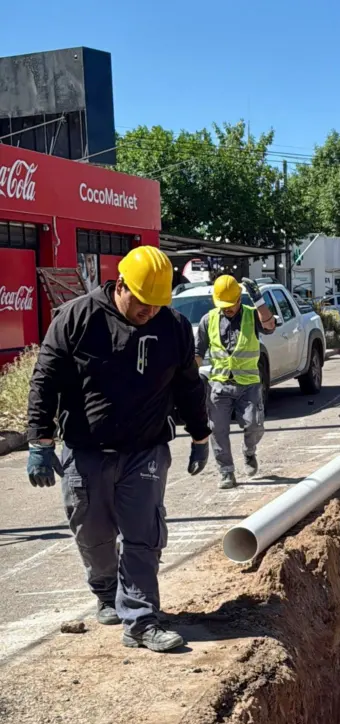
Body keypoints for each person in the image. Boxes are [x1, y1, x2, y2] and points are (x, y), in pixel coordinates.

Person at [26, 245, 211, 653]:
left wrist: (201, 435)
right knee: (92, 533)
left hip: (146, 449)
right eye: (143, 302)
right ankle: (106, 589)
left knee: (144, 535)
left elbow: (188, 384)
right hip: (87, 450)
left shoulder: (174, 326)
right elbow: (45, 379)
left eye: (158, 304)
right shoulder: (76, 318)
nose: (150, 311)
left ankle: (141, 620)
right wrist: (39, 439)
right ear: (121, 285)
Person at [195, 275, 277, 490]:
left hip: (248, 384)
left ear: (239, 299)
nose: (227, 309)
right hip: (219, 384)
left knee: (254, 425)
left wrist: (259, 301)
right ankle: (226, 472)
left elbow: (270, 326)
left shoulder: (252, 315)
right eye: (223, 305)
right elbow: (198, 352)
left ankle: (249, 451)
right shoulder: (208, 320)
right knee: (217, 430)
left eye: (230, 304)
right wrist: (189, 377)